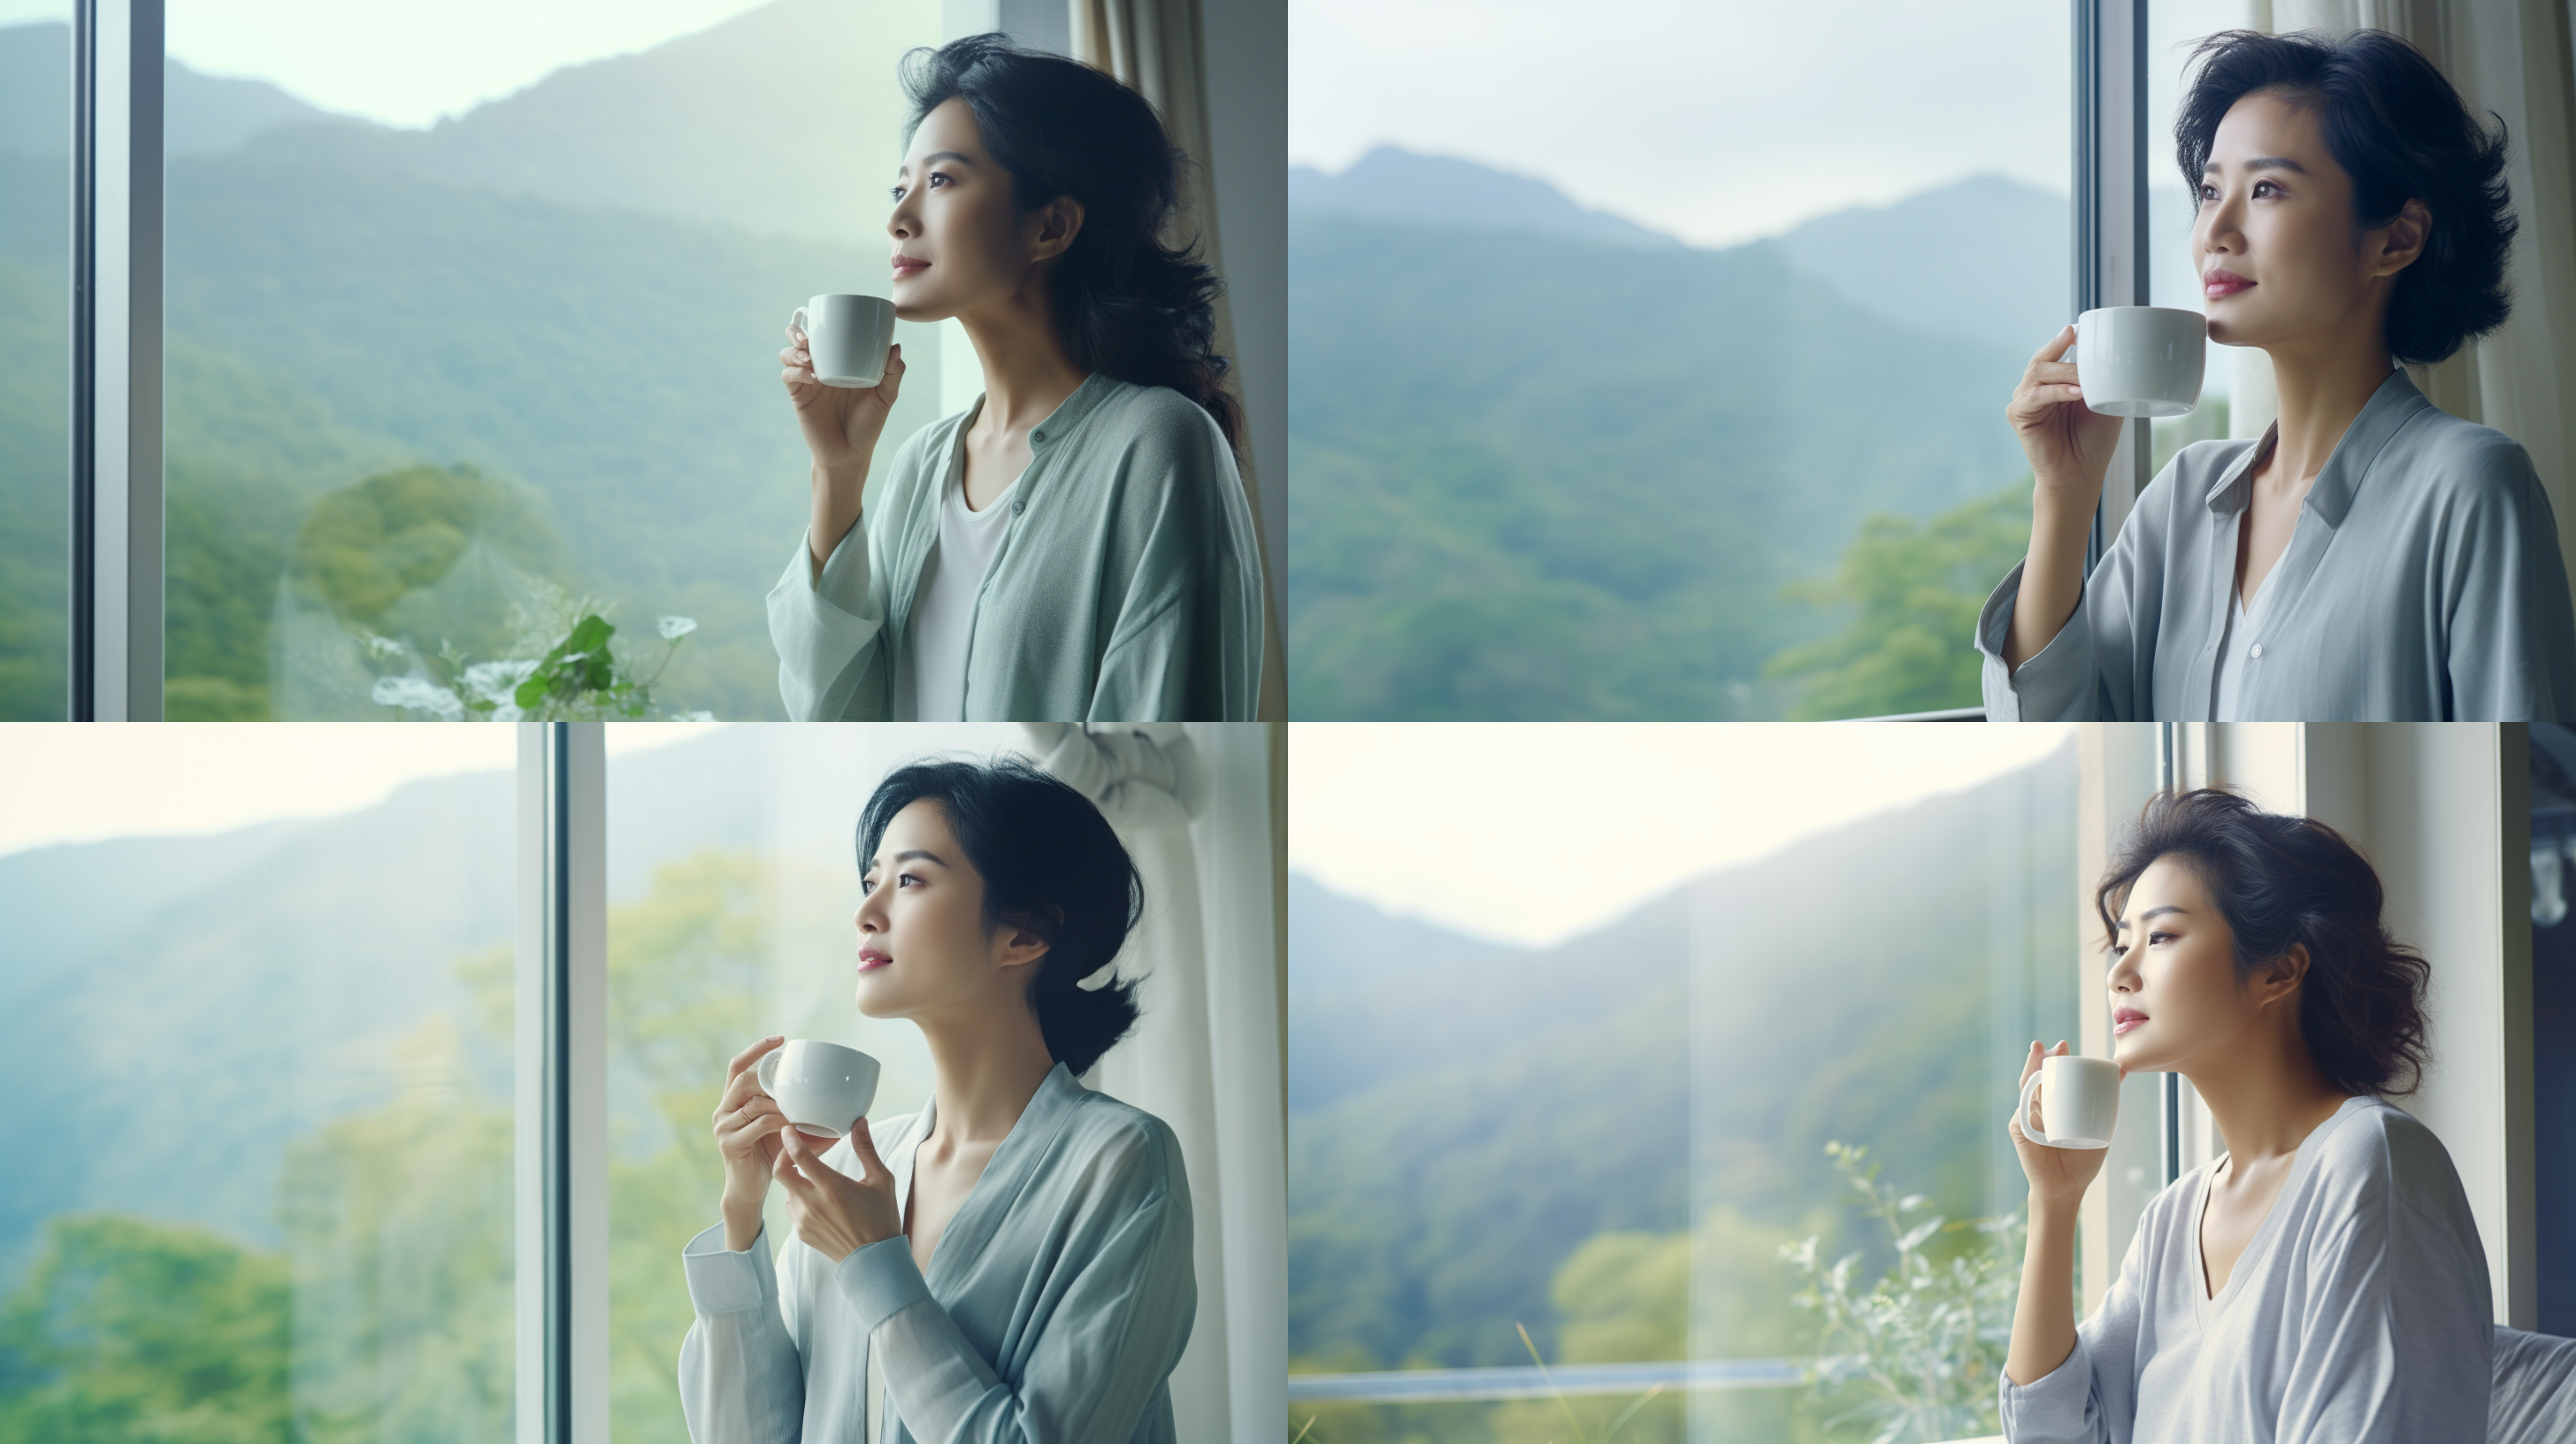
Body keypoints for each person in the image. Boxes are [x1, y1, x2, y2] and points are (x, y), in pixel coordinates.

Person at [1978, 27, 2576, 720]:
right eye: (2208, 190)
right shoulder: (2180, 500)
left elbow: (2531, 780)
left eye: (2265, 189)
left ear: (2397, 239)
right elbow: (2054, 743)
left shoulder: (2470, 485)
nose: (2215, 231)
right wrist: (2063, 495)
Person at [676, 759, 1195, 1443]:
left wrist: (874, 1265)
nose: (865, 913)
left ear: (1024, 935)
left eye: (911, 880)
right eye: (871, 883)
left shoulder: (1121, 1163)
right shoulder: (860, 1175)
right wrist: (742, 1215)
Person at [766, 35, 1262, 722]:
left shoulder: (1158, 444)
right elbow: (831, 721)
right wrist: (838, 470)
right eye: (899, 186)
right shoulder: (922, 466)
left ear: (1051, 225)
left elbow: (1164, 743)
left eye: (940, 180)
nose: (898, 218)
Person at [1999, 788, 2491, 1440]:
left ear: (2279, 971)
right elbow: (2051, 1434)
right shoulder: (2174, 1219)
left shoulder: (2373, 1164)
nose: (2122, 973)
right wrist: (2054, 1203)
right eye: (2122, 945)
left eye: (2163, 936)